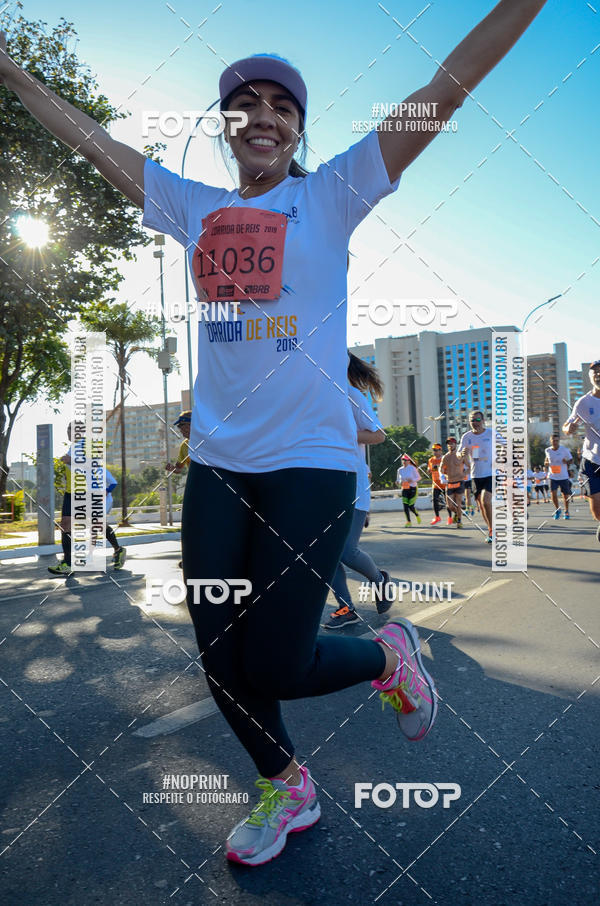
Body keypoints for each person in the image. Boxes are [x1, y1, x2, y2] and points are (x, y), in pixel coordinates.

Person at [1, 0, 549, 864]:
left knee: (280, 663)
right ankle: (285, 787)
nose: (263, 117)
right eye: (246, 106)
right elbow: (86, 139)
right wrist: (9, 69)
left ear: (298, 129)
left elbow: (442, 90)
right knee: (221, 658)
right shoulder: (191, 208)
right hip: (218, 467)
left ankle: (387, 657)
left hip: (311, 468)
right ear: (227, 126)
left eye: (282, 107)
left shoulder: (332, 194)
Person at [325, 355, 391, 629]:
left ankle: (380, 580)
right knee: (325, 553)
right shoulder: (313, 397)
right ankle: (346, 608)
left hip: (352, 482)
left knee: (346, 551)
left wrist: (343, 433)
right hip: (322, 485)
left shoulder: (350, 395)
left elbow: (378, 435)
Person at [48, 424, 126, 575]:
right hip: (71, 492)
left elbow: (94, 465)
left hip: (88, 492)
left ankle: (118, 549)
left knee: (98, 524)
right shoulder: (73, 447)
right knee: (65, 525)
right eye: (68, 430)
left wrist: (71, 461)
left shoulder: (88, 445)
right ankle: (68, 563)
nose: (69, 433)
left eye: (72, 430)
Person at [563, 359, 600, 543]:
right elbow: (567, 425)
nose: (599, 374)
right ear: (590, 376)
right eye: (595, 372)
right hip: (592, 461)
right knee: (597, 511)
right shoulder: (583, 403)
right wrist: (569, 428)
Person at [458, 410, 494, 542]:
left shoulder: (491, 433)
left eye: (478, 420)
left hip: (491, 473)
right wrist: (461, 454)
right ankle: (491, 529)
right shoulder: (466, 437)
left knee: (486, 501)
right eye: (472, 420)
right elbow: (458, 453)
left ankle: (491, 531)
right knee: (481, 505)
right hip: (475, 475)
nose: (475, 423)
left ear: (483, 421)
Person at [166, 410, 192, 569]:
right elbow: (179, 469)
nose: (181, 430)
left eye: (183, 425)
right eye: (180, 427)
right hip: (195, 490)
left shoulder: (210, 439)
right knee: (190, 525)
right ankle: (189, 557)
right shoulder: (184, 446)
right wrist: (171, 468)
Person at [544, 433, 573, 520]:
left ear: (559, 441)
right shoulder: (547, 450)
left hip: (563, 476)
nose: (555, 442)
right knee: (553, 494)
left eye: (557, 440)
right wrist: (546, 463)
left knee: (565, 496)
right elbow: (546, 460)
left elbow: (571, 460)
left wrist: (566, 462)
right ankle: (557, 509)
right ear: (551, 441)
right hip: (552, 476)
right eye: (553, 440)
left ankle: (566, 511)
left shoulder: (564, 450)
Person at [440, 437, 464, 528]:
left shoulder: (459, 455)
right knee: (449, 505)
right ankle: (457, 514)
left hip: (459, 481)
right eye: (449, 444)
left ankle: (459, 521)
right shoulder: (445, 457)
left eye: (452, 443)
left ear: (455, 444)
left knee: (458, 502)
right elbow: (441, 469)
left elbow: (465, 464)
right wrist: (442, 475)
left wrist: (465, 473)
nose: (450, 445)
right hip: (449, 482)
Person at [396, 454, 421, 526]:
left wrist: (412, 480)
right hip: (404, 489)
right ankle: (408, 521)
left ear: (409, 461)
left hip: (413, 488)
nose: (404, 461)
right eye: (403, 460)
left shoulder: (412, 468)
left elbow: (419, 478)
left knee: (411, 506)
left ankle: (417, 515)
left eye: (406, 460)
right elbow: (398, 480)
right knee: (405, 506)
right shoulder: (399, 470)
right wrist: (398, 482)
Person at [427, 443, 444, 525]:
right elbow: (429, 469)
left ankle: (452, 517)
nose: (435, 452)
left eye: (437, 450)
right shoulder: (431, 460)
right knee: (434, 500)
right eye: (434, 450)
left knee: (450, 502)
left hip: (445, 483)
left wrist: (437, 467)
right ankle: (437, 517)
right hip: (435, 484)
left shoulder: (444, 459)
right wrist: (429, 470)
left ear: (441, 450)